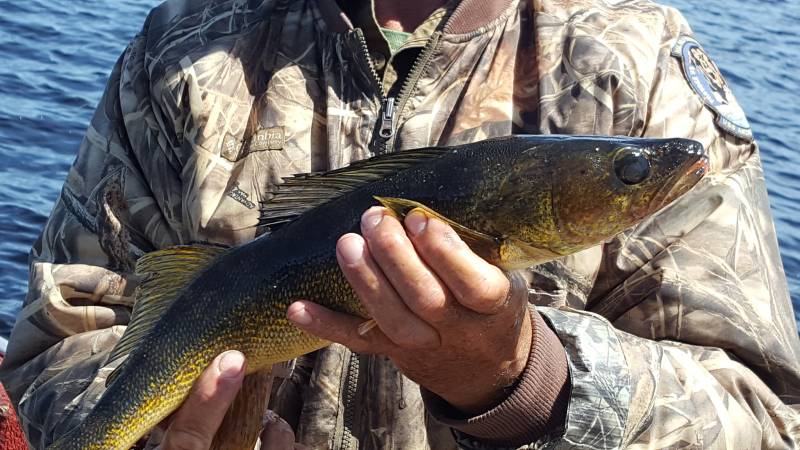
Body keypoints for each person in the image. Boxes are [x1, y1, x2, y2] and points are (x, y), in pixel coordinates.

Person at [1, 0, 798, 448]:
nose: (641, 174)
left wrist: (529, 381)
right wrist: (151, 437)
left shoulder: (642, 64)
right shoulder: (181, 47)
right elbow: (61, 335)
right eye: (627, 173)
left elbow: (766, 420)